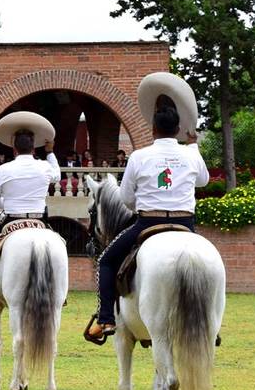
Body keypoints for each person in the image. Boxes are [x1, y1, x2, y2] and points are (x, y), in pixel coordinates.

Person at [85, 104, 209, 344]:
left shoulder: (139, 156)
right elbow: (203, 181)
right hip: (185, 223)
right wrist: (193, 145)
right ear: (178, 129)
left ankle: (106, 318)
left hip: (148, 222)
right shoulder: (191, 154)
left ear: (153, 129)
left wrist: (141, 206)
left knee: (106, 261)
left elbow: (126, 199)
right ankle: (208, 325)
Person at [0, 113, 59, 310]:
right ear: (33, 147)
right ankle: (60, 294)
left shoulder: (4, 169)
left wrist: (9, 203)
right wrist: (50, 152)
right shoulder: (45, 166)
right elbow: (57, 175)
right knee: (59, 245)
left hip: (11, 219)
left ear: (14, 148)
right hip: (39, 221)